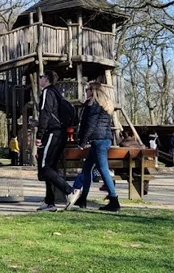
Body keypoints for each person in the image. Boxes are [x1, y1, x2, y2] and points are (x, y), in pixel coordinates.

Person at [67, 81, 120, 212]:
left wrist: (82, 142)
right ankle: (83, 198)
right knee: (86, 169)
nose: (86, 92)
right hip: (103, 140)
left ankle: (114, 200)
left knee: (102, 169)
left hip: (98, 141)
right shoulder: (104, 105)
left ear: (93, 90)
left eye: (87, 89)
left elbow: (90, 125)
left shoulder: (94, 105)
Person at [35, 70, 75, 212]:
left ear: (46, 79)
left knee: (45, 167)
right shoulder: (58, 93)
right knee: (51, 168)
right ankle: (49, 201)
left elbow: (45, 114)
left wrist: (39, 135)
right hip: (60, 133)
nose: (38, 79)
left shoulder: (47, 92)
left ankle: (70, 191)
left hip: (52, 133)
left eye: (40, 77)